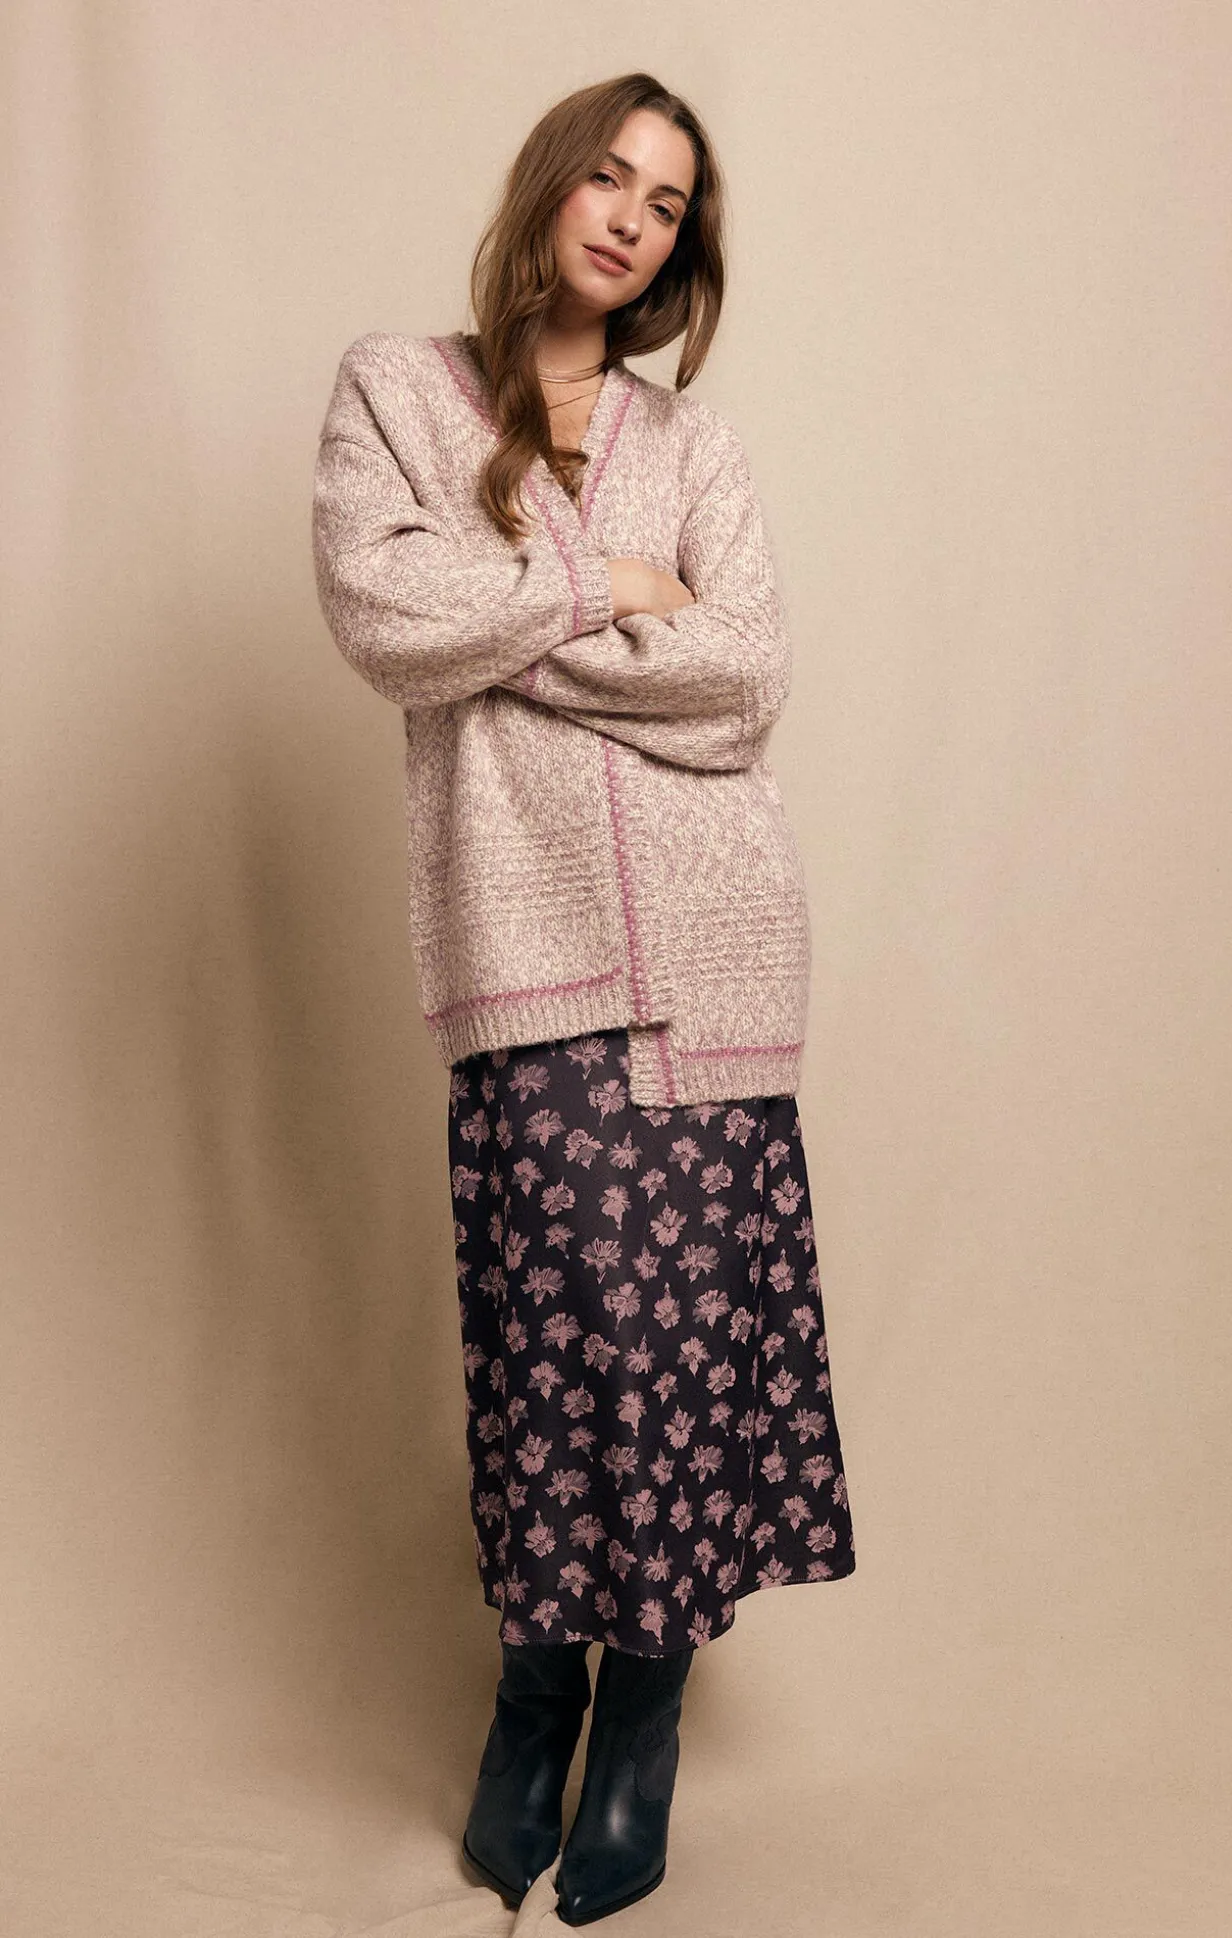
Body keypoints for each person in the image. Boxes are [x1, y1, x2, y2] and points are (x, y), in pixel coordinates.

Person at [312, 70, 857, 1928]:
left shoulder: (693, 445)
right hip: (526, 945)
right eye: (608, 177)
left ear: (682, 244)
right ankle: (538, 1685)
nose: (629, 216)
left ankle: (645, 1714)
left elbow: (748, 680)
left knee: (685, 1354)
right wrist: (606, 589)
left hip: (720, 943)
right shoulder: (402, 392)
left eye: (667, 200)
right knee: (555, 1345)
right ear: (551, 185)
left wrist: (510, 611)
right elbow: (386, 617)